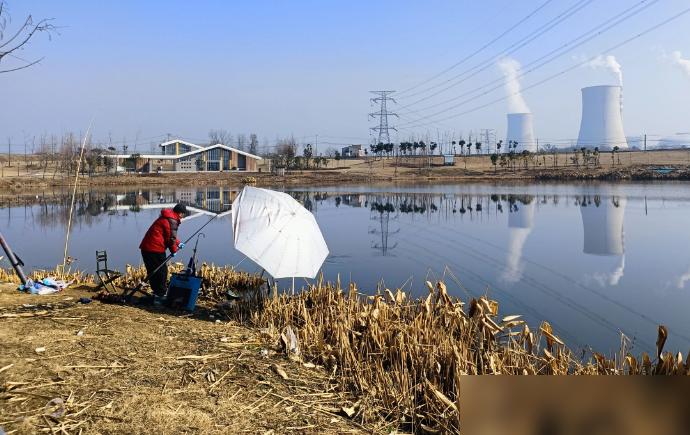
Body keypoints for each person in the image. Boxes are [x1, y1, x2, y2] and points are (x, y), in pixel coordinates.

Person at [139, 203, 188, 302]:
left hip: (149, 248)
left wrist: (178, 243)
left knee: (155, 271)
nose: (183, 216)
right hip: (154, 249)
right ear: (180, 213)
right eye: (184, 214)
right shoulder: (172, 220)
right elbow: (170, 238)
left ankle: (157, 292)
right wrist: (174, 250)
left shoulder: (168, 217)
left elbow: (169, 235)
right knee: (161, 272)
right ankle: (160, 294)